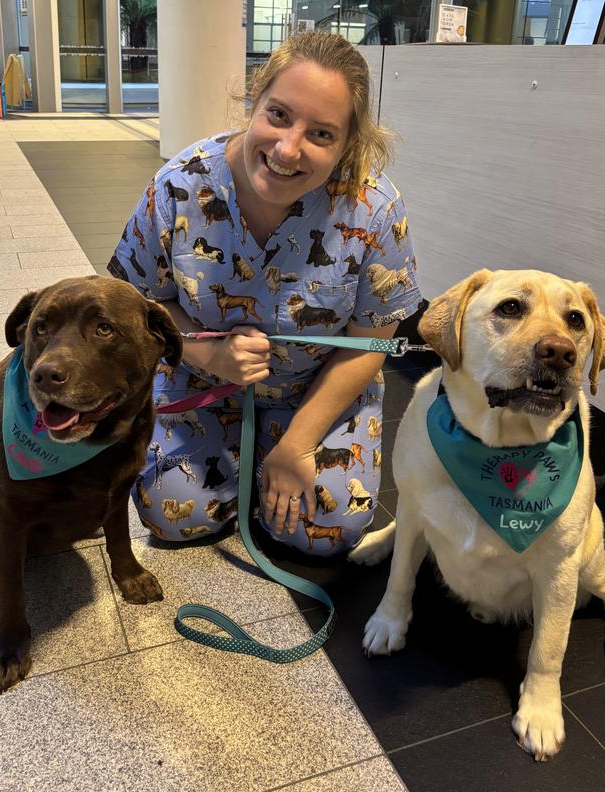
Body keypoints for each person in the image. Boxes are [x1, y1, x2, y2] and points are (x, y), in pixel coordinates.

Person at [108, 31, 422, 555]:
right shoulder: (180, 184)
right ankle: (239, 467)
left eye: (321, 133)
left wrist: (297, 445)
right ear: (255, 99)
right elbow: (135, 302)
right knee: (172, 514)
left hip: (316, 386)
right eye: (278, 115)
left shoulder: (375, 211)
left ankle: (268, 457)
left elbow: (376, 343)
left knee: (330, 530)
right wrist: (202, 350)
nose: (288, 148)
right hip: (201, 379)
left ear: (348, 144)